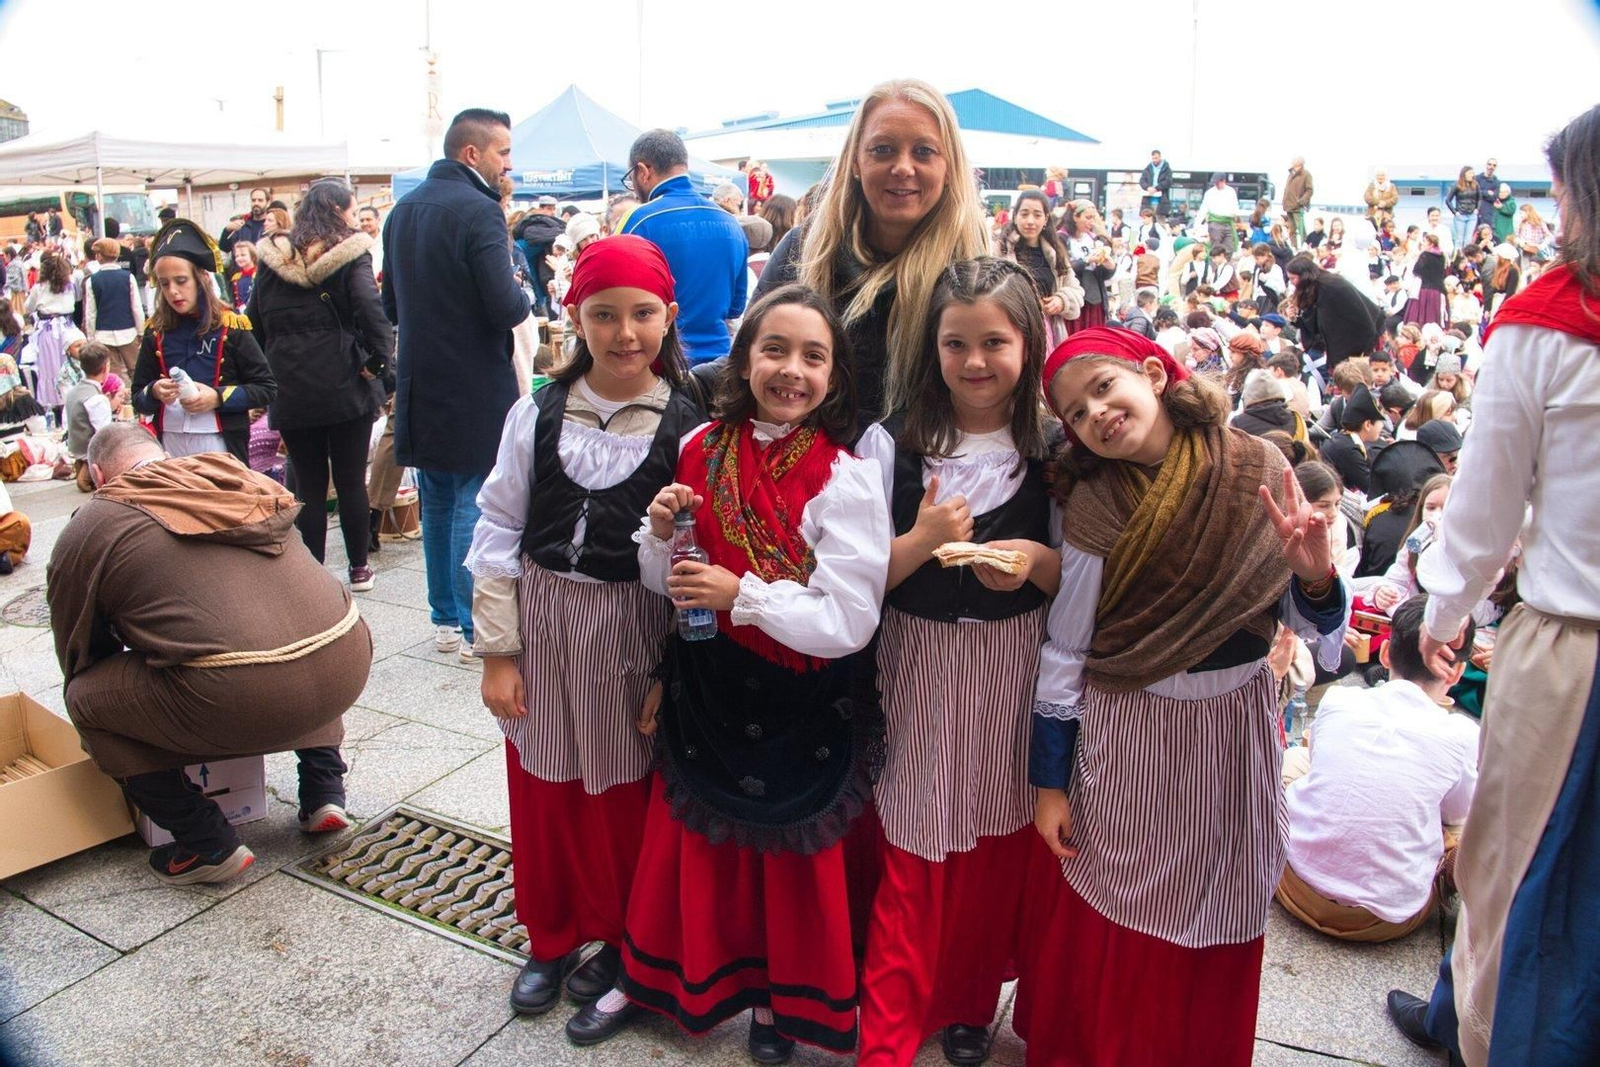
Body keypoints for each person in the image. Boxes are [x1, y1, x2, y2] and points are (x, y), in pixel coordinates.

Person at [1018, 326, 1347, 1066]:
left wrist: (1316, 575)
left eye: (1103, 387)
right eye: (1074, 412)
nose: (1095, 412)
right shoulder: (1095, 503)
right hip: (1129, 723)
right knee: (1116, 895)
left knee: (1222, 893)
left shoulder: (1256, 466)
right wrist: (1050, 783)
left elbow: (1308, 622)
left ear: (1153, 373)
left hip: (1233, 725)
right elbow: (1068, 650)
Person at [580, 285, 889, 1058]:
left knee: (787, 861)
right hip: (707, 683)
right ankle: (656, 976)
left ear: (836, 377)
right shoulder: (700, 449)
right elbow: (667, 582)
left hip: (799, 696)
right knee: (689, 846)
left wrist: (740, 593)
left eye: (813, 356)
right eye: (775, 349)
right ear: (745, 357)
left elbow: (848, 621)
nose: (791, 370)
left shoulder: (846, 477)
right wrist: (659, 537)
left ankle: (781, 1000)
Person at [1389, 107, 1600, 1066]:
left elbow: (1483, 504)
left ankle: (1487, 1036)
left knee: (1517, 864)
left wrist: (1445, 609)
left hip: (1573, 641)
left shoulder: (1551, 322)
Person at [468, 235, 705, 1030]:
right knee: (544, 783)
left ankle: (617, 934)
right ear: (574, 317)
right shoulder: (535, 411)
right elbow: (499, 526)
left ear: (668, 317)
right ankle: (551, 932)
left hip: (629, 629)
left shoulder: (688, 425)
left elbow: (694, 560)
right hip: (542, 622)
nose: (624, 333)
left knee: (620, 789)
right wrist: (499, 652)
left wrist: (670, 670)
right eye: (604, 315)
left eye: (642, 314)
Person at [852, 259, 1058, 1066]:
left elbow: (1079, 577)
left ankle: (971, 997)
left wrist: (1037, 561)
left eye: (995, 341)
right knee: (915, 829)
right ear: (930, 348)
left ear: (1028, 343)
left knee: (992, 836)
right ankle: (891, 1025)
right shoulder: (892, 443)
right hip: (918, 657)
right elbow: (855, 578)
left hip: (1014, 663)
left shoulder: (1054, 449)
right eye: (956, 342)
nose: (976, 361)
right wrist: (924, 541)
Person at [46, 422, 372, 886]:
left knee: (85, 697)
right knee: (287, 634)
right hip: (347, 658)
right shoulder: (235, 476)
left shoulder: (99, 519)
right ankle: (324, 789)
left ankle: (205, 840)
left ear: (98, 475)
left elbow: (81, 649)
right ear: (161, 455)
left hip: (243, 691)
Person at [382, 108, 532, 660]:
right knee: (472, 498)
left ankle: (445, 618)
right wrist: (523, 287)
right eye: (504, 153)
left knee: (439, 500)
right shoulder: (479, 211)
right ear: (473, 154)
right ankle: (473, 627)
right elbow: (505, 306)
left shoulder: (403, 210)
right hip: (473, 382)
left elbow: (389, 304)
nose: (508, 164)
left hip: (422, 377)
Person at [755, 79, 988, 425]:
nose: (903, 167)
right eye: (883, 149)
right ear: (854, 162)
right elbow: (745, 363)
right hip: (804, 468)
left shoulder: (974, 273)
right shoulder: (802, 252)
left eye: (924, 151)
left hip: (922, 472)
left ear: (950, 166)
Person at [1279, 595, 1477, 941]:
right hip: (1383, 921)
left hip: (1290, 880)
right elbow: (1456, 814)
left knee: (1295, 761)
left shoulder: (1340, 700)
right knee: (1467, 827)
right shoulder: (1463, 735)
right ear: (1458, 671)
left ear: (1385, 654)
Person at [251, 179, 393, 592]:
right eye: (350, 211)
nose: (353, 219)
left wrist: (270, 371)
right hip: (345, 380)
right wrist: (379, 363)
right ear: (338, 211)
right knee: (350, 479)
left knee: (308, 483)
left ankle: (313, 573)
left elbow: (255, 319)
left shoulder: (274, 257)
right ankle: (359, 568)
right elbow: (371, 308)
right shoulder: (350, 252)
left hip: (291, 384)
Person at [130, 220, 276, 463]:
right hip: (170, 443)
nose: (173, 291)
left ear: (201, 279)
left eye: (181, 280)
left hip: (221, 442)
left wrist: (217, 398)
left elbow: (266, 388)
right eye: (165, 284)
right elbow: (138, 395)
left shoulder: (232, 326)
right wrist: (154, 391)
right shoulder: (155, 331)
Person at [619, 130, 747, 364]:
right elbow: (736, 309)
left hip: (661, 366)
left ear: (643, 171)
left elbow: (617, 302)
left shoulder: (638, 221)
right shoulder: (732, 224)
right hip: (718, 365)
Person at [991, 190, 1085, 344]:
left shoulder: (1055, 255)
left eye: (1037, 215)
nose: (1030, 221)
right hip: (1009, 332)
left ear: (1046, 219)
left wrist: (1061, 300)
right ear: (1015, 216)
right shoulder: (999, 251)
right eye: (1024, 214)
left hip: (1048, 335)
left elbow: (1076, 290)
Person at [1286, 254, 1386, 377]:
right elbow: (1315, 322)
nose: (1291, 283)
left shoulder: (1329, 286)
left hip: (1362, 333)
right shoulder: (1315, 287)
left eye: (1293, 278)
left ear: (1304, 276)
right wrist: (1296, 318)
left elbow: (1361, 317)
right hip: (1346, 339)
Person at [24, 250, 77, 422]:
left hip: (48, 331)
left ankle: (54, 406)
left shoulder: (39, 288)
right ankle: (69, 402)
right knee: (69, 368)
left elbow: (28, 307)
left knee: (49, 368)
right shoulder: (70, 287)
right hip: (68, 329)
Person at [84, 238, 144, 382]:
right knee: (136, 370)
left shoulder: (92, 280)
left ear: (99, 256)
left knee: (113, 373)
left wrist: (91, 337)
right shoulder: (128, 277)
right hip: (128, 330)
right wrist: (141, 330)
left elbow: (91, 313)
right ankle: (139, 399)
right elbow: (136, 307)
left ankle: (118, 401)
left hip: (103, 332)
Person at [63, 342, 114, 492]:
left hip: (74, 446)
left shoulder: (72, 392)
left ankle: (84, 467)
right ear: (105, 368)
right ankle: (90, 470)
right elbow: (104, 433)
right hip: (89, 451)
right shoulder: (97, 399)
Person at [1318, 382, 1384, 496]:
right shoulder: (1347, 449)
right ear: (1368, 424)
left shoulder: (1345, 441)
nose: (1382, 426)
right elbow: (1370, 488)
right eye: (1380, 422)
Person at [1198, 173, 1241, 255]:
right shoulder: (1210, 193)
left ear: (1223, 181)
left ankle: (1226, 266)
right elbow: (1203, 209)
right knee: (1215, 249)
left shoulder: (1231, 191)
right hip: (1215, 223)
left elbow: (1235, 206)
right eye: (1215, 183)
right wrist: (1197, 224)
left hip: (1229, 222)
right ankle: (1214, 267)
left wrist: (1237, 219)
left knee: (1229, 248)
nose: (1216, 185)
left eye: (1218, 183)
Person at [218, 188, 270, 254]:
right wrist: (227, 230)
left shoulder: (271, 225)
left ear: (267, 202)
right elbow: (224, 248)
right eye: (253, 200)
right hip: (242, 264)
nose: (256, 203)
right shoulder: (242, 224)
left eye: (260, 200)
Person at [1283, 158, 1314, 246]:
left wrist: (1302, 201)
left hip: (1298, 207)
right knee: (1291, 230)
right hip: (1289, 206)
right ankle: (1294, 247)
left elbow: (1309, 190)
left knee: (1301, 229)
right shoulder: (1291, 174)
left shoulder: (1306, 174)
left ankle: (1305, 246)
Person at [1139, 149, 1171, 218]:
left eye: (1156, 158)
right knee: (1148, 221)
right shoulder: (1147, 169)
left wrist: (1156, 188)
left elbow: (1168, 181)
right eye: (1153, 158)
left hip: (1161, 201)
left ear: (1160, 157)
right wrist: (1147, 187)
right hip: (1148, 200)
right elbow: (1142, 181)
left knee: (1160, 222)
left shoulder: (1167, 169)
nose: (1154, 160)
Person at [1474, 159, 1500, 233]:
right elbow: (1474, 192)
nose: (1491, 167)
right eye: (1490, 164)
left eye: (1494, 165)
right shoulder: (1477, 178)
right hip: (1475, 211)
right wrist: (1487, 192)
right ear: (1486, 165)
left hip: (1487, 214)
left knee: (1486, 235)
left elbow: (1494, 197)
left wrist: (1481, 192)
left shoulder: (1496, 182)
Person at [357, 206, 384, 282]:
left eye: (368, 219)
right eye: (362, 220)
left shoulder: (387, 236)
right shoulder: (356, 242)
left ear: (378, 220)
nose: (365, 223)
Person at [229, 242, 257, 310]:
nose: (239, 258)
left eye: (243, 255)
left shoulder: (259, 275)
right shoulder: (236, 278)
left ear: (253, 257)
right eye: (237, 256)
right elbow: (234, 302)